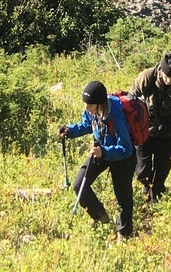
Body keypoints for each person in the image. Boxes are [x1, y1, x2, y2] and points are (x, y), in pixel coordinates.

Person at [58, 80, 134, 239]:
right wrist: (69, 131)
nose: (87, 108)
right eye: (86, 104)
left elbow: (126, 149)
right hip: (101, 149)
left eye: (90, 105)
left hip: (121, 157)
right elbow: (87, 125)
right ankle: (100, 216)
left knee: (123, 197)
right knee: (79, 184)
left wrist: (103, 152)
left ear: (100, 103)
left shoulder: (117, 116)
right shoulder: (92, 111)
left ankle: (124, 233)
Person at [129, 50, 171, 203]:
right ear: (161, 71)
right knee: (141, 171)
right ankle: (148, 186)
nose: (169, 80)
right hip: (144, 128)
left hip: (165, 129)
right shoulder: (147, 77)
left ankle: (155, 195)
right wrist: (129, 131)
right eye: (166, 76)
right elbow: (130, 101)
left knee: (162, 169)